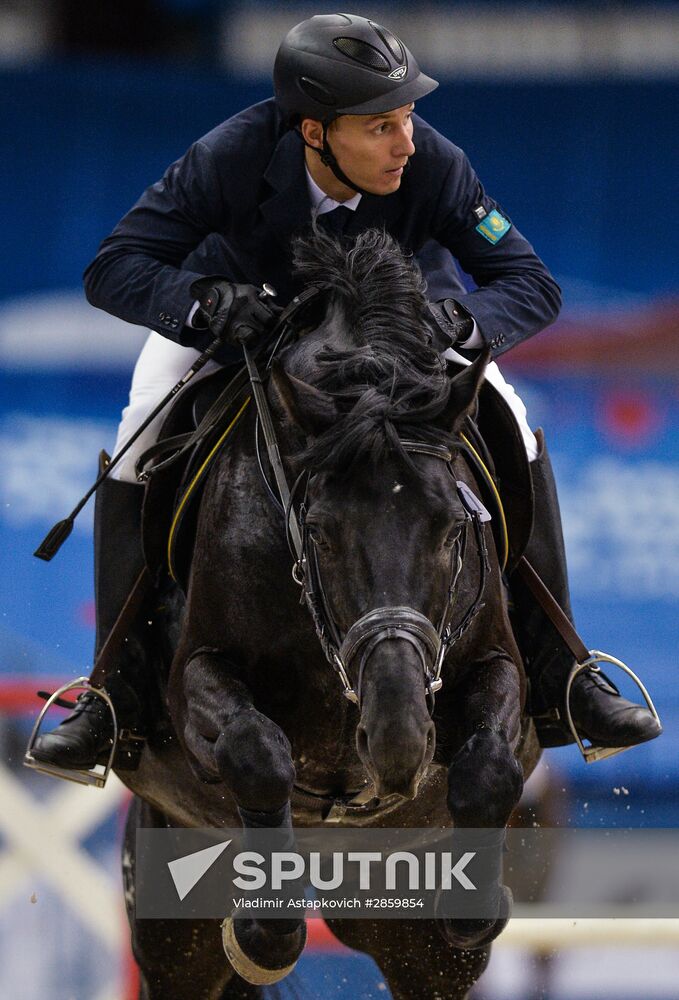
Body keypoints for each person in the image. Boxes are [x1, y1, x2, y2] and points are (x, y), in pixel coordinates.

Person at [31, 12, 660, 772]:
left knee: (514, 421)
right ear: (313, 132)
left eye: (407, 118)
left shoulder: (435, 163)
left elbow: (530, 283)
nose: (405, 143)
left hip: (402, 329)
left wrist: (455, 322)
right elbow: (116, 266)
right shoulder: (229, 155)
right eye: (380, 126)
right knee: (144, 421)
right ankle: (114, 693)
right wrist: (207, 304)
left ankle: (564, 670)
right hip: (250, 322)